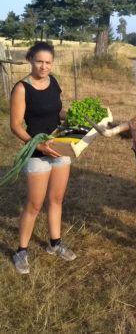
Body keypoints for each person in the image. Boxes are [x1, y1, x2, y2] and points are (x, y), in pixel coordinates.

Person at [10, 41, 76, 275]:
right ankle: (21, 250)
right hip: (38, 152)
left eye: (48, 62)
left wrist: (78, 117)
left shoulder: (54, 82)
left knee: (56, 199)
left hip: (59, 149)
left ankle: (54, 243)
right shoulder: (21, 88)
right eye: (39, 61)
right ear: (30, 59)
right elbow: (15, 125)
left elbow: (58, 111)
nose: (44, 66)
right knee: (35, 204)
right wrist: (37, 144)